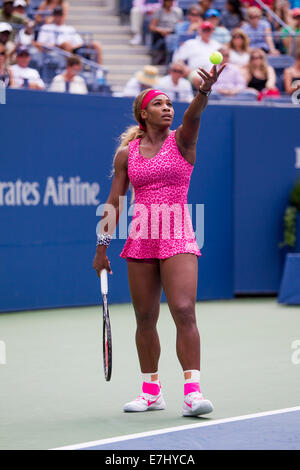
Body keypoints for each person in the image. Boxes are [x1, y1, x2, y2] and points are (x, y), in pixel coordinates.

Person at [92, 62, 226, 416]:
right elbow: (114, 202)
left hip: (178, 231)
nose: (168, 108)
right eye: (160, 104)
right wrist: (101, 249)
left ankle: (193, 392)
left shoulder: (182, 139)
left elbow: (194, 116)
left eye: (170, 104)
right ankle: (151, 391)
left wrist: (204, 91)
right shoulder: (127, 155)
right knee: (145, 317)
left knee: (183, 310)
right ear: (143, 113)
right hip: (141, 236)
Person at [37, 6, 103, 65]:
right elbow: (40, 43)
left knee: (96, 44)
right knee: (67, 44)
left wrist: (72, 47)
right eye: (57, 15)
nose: (59, 17)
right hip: (56, 49)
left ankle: (99, 72)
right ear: (53, 16)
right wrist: (54, 45)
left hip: (73, 50)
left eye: (60, 15)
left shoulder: (70, 28)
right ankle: (70, 66)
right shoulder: (46, 27)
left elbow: (79, 43)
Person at [149, 0, 183, 64]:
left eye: (171, 1)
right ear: (164, 2)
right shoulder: (159, 11)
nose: (170, 2)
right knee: (162, 42)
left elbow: (180, 25)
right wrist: (161, 30)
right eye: (168, 1)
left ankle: (171, 61)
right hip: (160, 35)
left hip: (173, 34)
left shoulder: (176, 12)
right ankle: (160, 59)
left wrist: (172, 31)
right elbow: (152, 27)